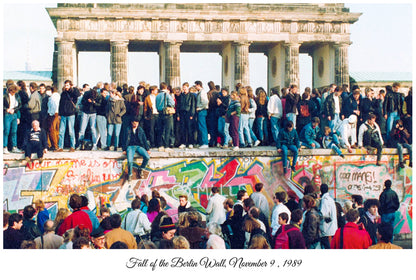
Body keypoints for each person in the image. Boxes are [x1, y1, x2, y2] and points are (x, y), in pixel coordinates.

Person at [57, 80, 80, 152]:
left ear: (70, 85)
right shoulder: (63, 93)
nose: (66, 87)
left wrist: (73, 88)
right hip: (63, 114)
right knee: (61, 131)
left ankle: (72, 146)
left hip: (71, 114)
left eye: (67, 85)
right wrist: (59, 114)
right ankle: (60, 147)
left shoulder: (73, 92)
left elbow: (77, 94)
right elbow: (60, 104)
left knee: (71, 131)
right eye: (65, 85)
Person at [155, 82, 175, 151]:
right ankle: (166, 146)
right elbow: (172, 103)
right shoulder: (167, 94)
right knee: (167, 130)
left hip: (159, 114)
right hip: (167, 114)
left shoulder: (157, 95)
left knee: (160, 130)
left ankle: (160, 145)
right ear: (166, 87)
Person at [3, 84, 22, 154]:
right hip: (7, 114)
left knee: (14, 131)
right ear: (9, 90)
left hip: (14, 114)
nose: (13, 93)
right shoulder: (4, 96)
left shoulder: (17, 96)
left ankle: (14, 146)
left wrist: (14, 110)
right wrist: (6, 109)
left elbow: (20, 104)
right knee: (6, 131)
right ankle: (4, 147)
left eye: (14, 92)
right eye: (12, 92)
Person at [177, 82, 196, 149]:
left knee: (190, 128)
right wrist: (178, 115)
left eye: (185, 87)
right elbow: (178, 106)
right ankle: (183, 143)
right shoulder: (180, 96)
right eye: (183, 87)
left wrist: (192, 114)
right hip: (182, 113)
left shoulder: (191, 96)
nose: (184, 89)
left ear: (188, 87)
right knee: (182, 129)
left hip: (189, 113)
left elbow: (193, 105)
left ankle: (190, 143)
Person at [319, 184, 338, 249]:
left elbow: (324, 213)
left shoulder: (325, 200)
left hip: (327, 229)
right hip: (331, 228)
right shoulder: (330, 199)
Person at [195, 80, 209, 148]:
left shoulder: (202, 92)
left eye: (195, 85)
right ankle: (202, 142)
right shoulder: (200, 92)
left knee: (202, 127)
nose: (195, 87)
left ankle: (205, 143)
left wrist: (199, 108)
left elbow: (205, 102)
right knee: (200, 127)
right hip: (201, 111)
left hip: (202, 111)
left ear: (198, 85)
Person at [46, 85, 60, 151]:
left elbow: (53, 106)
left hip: (53, 114)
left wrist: (51, 113)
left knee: (52, 130)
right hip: (57, 114)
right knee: (56, 130)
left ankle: (54, 145)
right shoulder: (59, 96)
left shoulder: (52, 97)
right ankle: (56, 144)